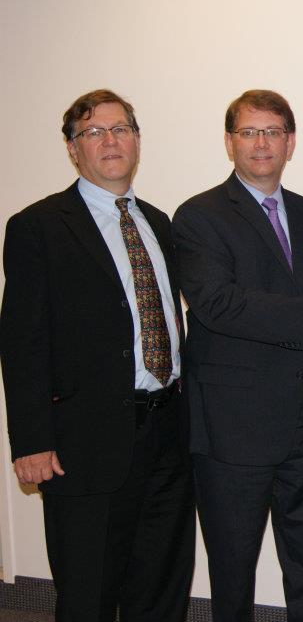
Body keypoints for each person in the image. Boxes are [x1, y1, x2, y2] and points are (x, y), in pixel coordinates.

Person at [172, 89, 303, 621]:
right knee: (233, 574)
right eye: (249, 132)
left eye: (273, 132)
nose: (262, 143)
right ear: (230, 143)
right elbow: (219, 305)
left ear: (291, 142)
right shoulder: (198, 217)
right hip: (234, 429)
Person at [0, 89, 194, 621]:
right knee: (87, 594)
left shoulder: (158, 222)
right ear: (72, 149)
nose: (110, 142)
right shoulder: (37, 227)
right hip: (83, 447)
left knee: (161, 587)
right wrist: (32, 441)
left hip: (169, 437)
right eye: (93, 132)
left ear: (136, 140)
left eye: (121, 129)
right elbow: (22, 342)